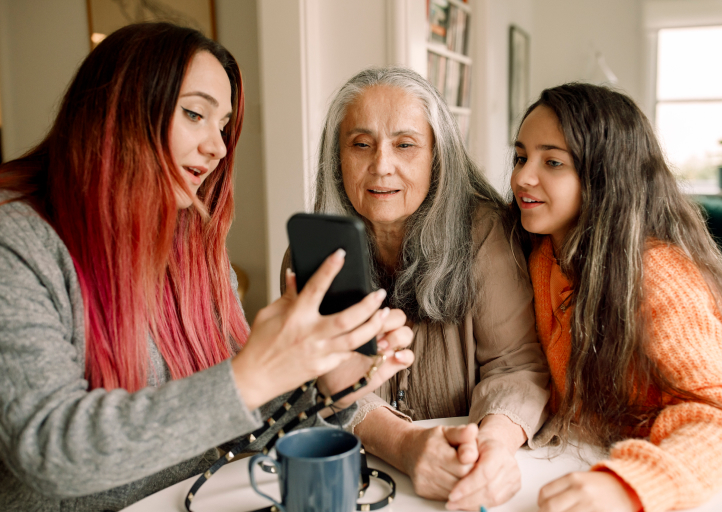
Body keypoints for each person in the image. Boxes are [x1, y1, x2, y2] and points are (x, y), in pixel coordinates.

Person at [0, 23, 413, 512]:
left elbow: (232, 430)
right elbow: (50, 450)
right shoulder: (18, 244)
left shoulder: (196, 251)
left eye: (223, 125)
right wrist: (252, 375)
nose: (218, 147)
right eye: (196, 113)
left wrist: (326, 386)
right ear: (117, 113)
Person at [508, 82, 722, 512]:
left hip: (669, 483)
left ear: (605, 175)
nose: (522, 177)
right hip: (575, 455)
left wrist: (628, 486)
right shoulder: (541, 253)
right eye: (520, 157)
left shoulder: (657, 273)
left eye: (552, 161)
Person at [301, 66, 549, 510]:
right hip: (364, 481)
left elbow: (516, 366)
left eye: (405, 145)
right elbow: (315, 383)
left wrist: (490, 446)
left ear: (438, 155)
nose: (381, 165)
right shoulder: (315, 254)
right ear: (337, 158)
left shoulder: (486, 232)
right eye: (361, 145)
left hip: (464, 477)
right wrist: (403, 444)